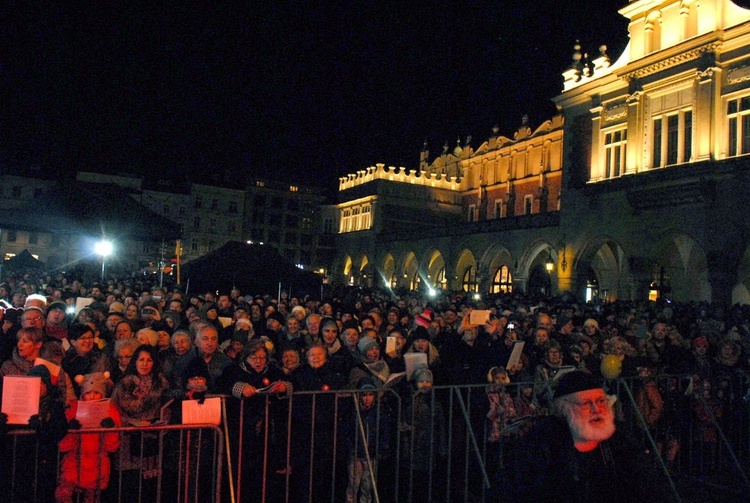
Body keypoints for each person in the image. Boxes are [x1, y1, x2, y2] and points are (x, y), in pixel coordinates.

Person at [512, 370, 672, 502]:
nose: (596, 409)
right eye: (586, 403)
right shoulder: (542, 440)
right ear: (565, 409)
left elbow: (645, 483)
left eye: (601, 401)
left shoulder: (619, 439)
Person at [110, 344, 170, 502]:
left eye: (149, 360)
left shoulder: (162, 384)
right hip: (128, 442)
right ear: (135, 362)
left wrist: (158, 424)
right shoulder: (124, 384)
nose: (144, 364)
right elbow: (114, 411)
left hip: (152, 440)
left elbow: (167, 409)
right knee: (129, 488)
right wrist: (135, 423)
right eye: (141, 359)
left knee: (150, 490)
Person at [56, 371, 121, 503]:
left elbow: (112, 447)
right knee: (63, 495)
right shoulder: (73, 409)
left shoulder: (110, 411)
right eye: (88, 393)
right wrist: (70, 430)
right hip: (74, 463)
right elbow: (63, 446)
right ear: (82, 394)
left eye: (96, 393)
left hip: (97, 466)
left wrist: (110, 430)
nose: (91, 397)